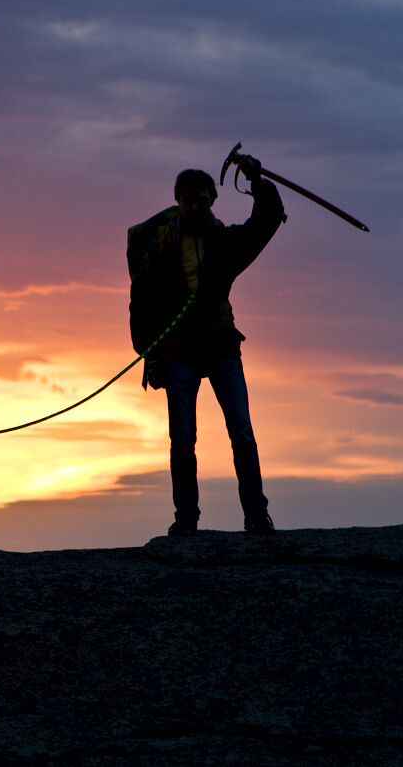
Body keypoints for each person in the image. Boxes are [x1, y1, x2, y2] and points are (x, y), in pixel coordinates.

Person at [126, 157, 284, 536]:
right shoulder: (159, 249)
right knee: (182, 440)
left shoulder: (227, 242)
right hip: (178, 352)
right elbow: (141, 302)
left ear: (213, 199)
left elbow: (267, 220)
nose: (195, 207)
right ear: (178, 201)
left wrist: (258, 182)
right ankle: (186, 518)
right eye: (187, 200)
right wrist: (151, 356)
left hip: (221, 346)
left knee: (241, 432)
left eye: (201, 199)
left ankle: (256, 515)